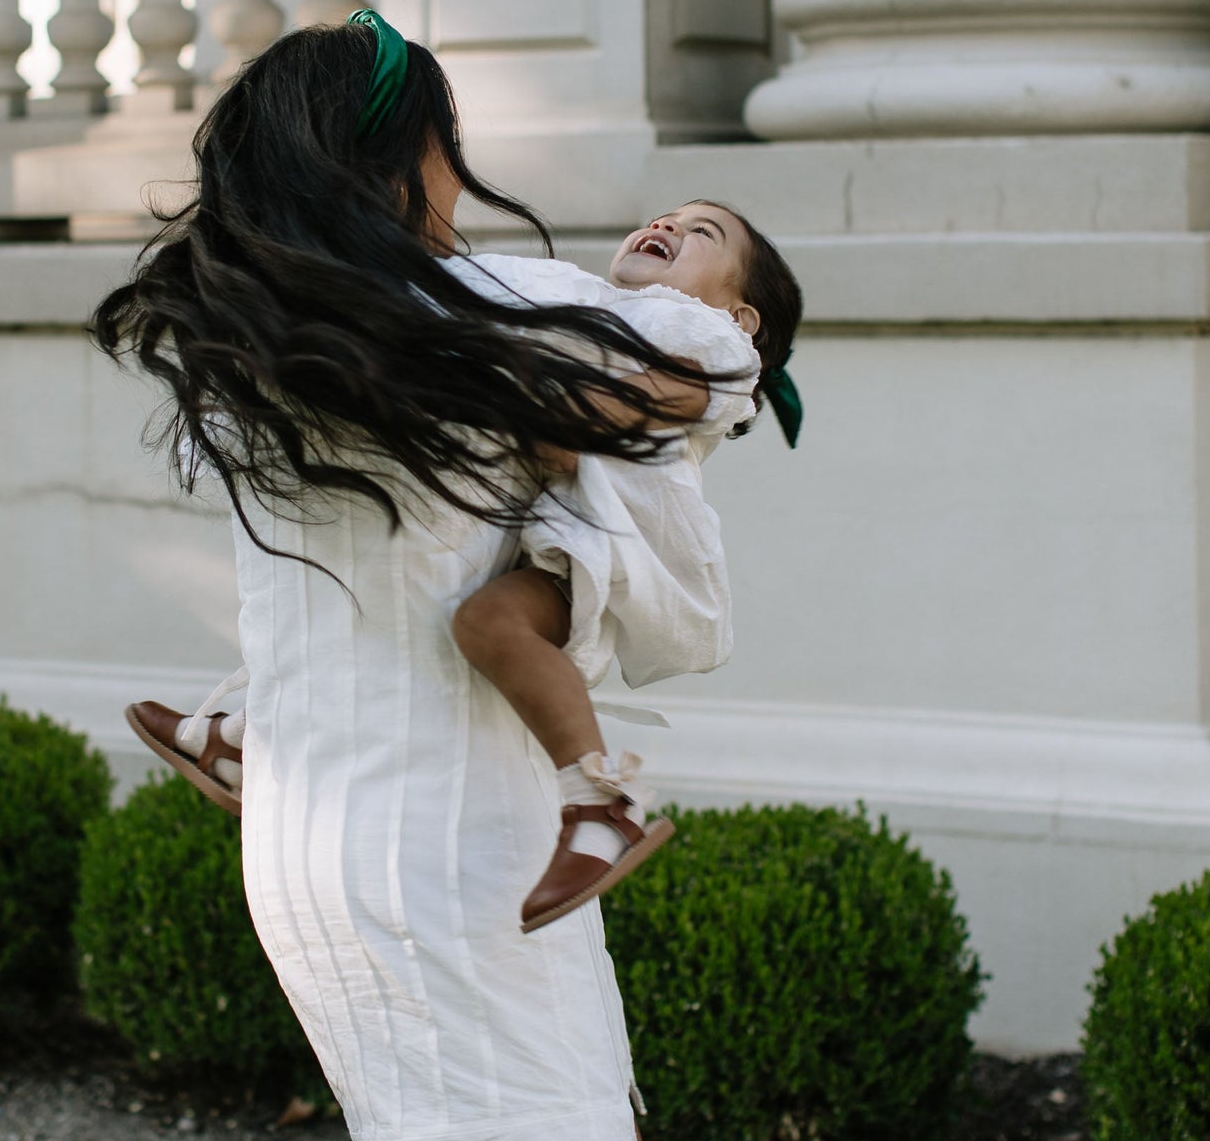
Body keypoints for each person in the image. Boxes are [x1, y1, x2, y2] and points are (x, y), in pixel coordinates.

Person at [94, 10, 783, 1141]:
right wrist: (631, 387)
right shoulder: (462, 316)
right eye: (442, 148)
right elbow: (697, 373)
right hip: (451, 847)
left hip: (353, 831)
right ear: (400, 160)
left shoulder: (276, 339)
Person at [128, 202, 803, 931]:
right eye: (663, 216)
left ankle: (601, 803)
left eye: (701, 232)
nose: (667, 226)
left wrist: (528, 404)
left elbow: (632, 404)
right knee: (410, 581)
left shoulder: (710, 343)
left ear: (744, 316)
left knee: (488, 622)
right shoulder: (588, 309)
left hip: (605, 551)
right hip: (549, 528)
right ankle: (263, 736)